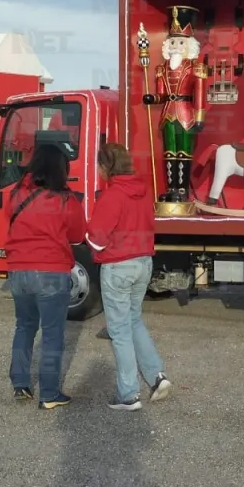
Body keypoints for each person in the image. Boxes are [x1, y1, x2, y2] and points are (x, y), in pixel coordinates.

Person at [87, 143, 172, 411]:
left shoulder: (112, 195)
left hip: (118, 266)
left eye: (99, 165)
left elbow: (97, 239)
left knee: (119, 330)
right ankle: (157, 376)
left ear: (106, 167)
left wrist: (89, 240)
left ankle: (128, 395)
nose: (97, 170)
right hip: (143, 261)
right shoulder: (143, 191)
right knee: (134, 321)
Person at [4, 144, 86, 408]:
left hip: (18, 269)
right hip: (51, 270)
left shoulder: (16, 193)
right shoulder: (65, 199)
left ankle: (20, 384)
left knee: (24, 326)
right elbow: (77, 235)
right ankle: (49, 394)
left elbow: (10, 218)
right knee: (52, 333)